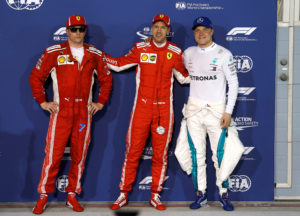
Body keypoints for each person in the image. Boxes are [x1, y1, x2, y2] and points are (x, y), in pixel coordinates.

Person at [105, 14, 190, 211]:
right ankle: (123, 194)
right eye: (156, 27)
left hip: (164, 111)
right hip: (141, 109)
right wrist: (98, 55)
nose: (159, 30)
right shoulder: (140, 48)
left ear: (168, 31)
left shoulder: (176, 51)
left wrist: (209, 75)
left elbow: (184, 78)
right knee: (132, 152)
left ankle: (155, 195)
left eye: (163, 27)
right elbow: (118, 65)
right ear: (151, 29)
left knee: (160, 155)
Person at [29, 14, 112, 214]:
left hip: (83, 113)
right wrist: (42, 101)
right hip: (61, 112)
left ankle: (72, 195)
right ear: (67, 31)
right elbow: (35, 77)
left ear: (85, 31)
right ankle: (43, 196)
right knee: (53, 156)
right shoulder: (53, 52)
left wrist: (100, 102)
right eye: (73, 29)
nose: (77, 33)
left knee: (79, 156)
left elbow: (106, 79)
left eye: (80, 29)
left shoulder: (94, 54)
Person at [182, 17, 239, 211]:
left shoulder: (224, 54)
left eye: (204, 29)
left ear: (212, 31)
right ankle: (201, 194)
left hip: (217, 112)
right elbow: (182, 74)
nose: (201, 33)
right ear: (194, 33)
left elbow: (234, 85)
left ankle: (224, 194)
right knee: (197, 155)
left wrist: (228, 112)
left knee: (220, 156)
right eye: (197, 30)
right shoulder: (188, 53)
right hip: (194, 112)